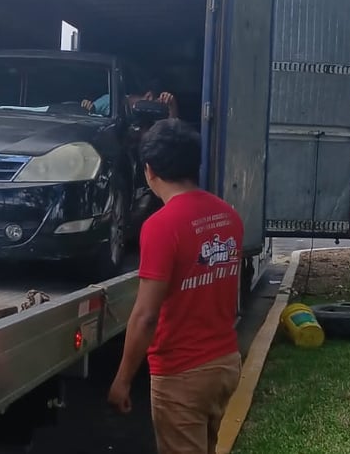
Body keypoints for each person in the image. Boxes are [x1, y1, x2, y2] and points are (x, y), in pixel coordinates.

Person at [107, 118, 244, 454]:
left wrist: (122, 379)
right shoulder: (228, 216)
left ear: (149, 170)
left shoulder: (162, 226)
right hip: (225, 363)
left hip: (183, 372)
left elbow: (146, 316)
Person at [81, 85, 179, 118]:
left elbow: (168, 133)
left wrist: (172, 106)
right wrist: (87, 108)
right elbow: (90, 115)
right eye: (156, 104)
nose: (155, 109)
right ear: (149, 96)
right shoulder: (110, 101)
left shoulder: (151, 118)